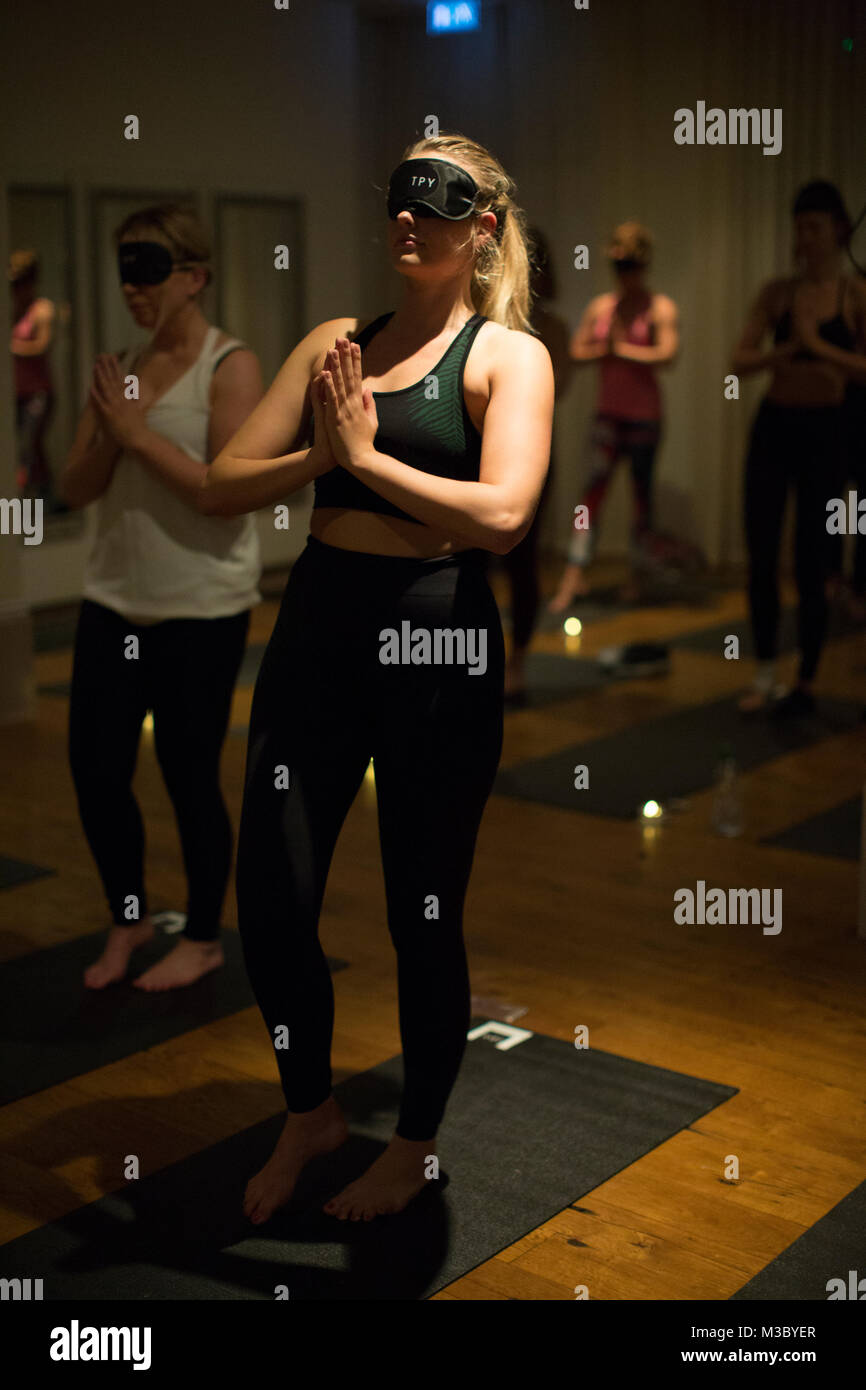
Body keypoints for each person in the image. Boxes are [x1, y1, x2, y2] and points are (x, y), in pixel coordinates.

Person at [203, 133, 553, 1223]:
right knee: (269, 894)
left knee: (422, 908)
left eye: (437, 202)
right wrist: (323, 454)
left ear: (481, 227)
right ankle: (308, 1108)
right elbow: (223, 483)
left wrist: (366, 462)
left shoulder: (507, 358)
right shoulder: (334, 344)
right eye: (398, 200)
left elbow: (501, 517)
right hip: (319, 626)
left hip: (436, 634)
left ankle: (411, 1141)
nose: (408, 218)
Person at [59, 204, 264, 990]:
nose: (132, 288)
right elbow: (77, 486)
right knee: (96, 770)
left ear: (193, 276)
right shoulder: (121, 366)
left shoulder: (230, 365)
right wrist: (112, 427)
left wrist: (140, 433)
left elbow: (223, 490)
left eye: (147, 269)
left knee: (188, 771)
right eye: (124, 272)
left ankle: (206, 936)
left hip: (201, 607)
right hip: (114, 597)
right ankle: (129, 915)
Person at [731, 181, 866, 715]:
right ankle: (765, 671)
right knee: (761, 556)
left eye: (814, 227)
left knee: (813, 562)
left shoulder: (854, 294)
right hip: (775, 428)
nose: (804, 238)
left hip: (827, 433)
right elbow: (739, 360)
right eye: (799, 227)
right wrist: (785, 350)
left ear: (839, 229)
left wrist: (816, 346)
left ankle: (806, 679)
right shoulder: (777, 293)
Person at [549, 222, 679, 611]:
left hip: (644, 418)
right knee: (590, 498)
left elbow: (668, 354)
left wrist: (621, 351)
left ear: (645, 264)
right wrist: (605, 350)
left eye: (632, 265)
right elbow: (575, 352)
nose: (626, 273)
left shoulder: (659, 307)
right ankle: (574, 575)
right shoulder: (602, 307)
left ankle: (637, 577)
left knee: (642, 500)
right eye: (619, 265)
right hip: (608, 416)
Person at [498, 226, 573, 702]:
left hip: (531, 455)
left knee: (522, 563)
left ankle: (517, 663)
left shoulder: (554, 328)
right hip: (474, 452)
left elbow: (555, 388)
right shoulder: (486, 319)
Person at [9, 250, 57, 502]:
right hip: (16, 392)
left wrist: (11, 348)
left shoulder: (42, 309)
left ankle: (41, 497)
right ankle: (27, 498)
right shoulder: (13, 309)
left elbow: (42, 346)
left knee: (30, 445)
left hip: (38, 391)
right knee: (20, 448)